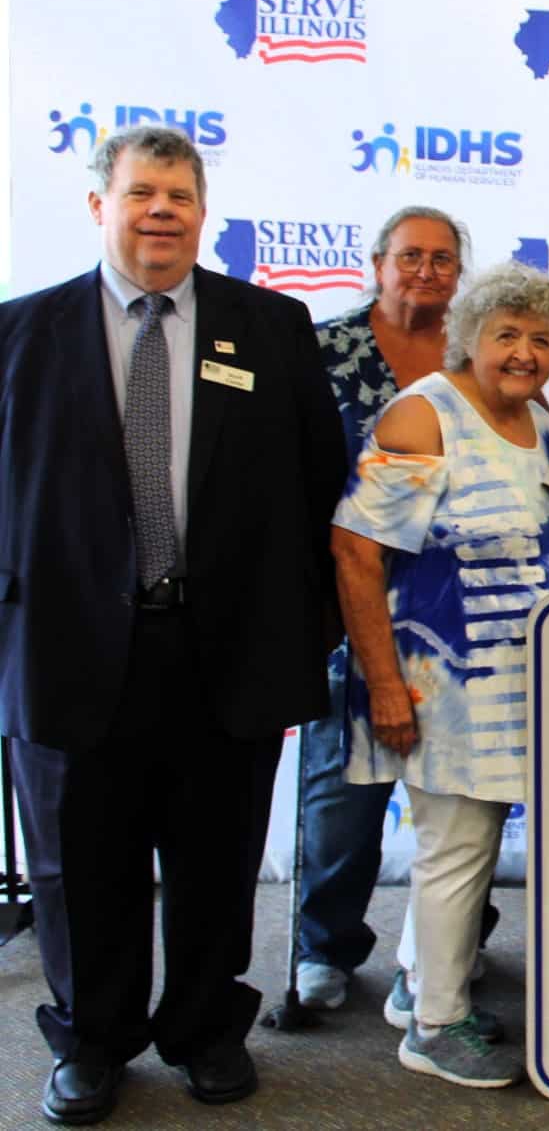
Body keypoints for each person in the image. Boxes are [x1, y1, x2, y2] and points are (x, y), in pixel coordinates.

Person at [0, 126, 345, 1123]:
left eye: (180, 196)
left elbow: (322, 490)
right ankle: (92, 1038)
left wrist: (305, 628)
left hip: (225, 649)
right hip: (63, 652)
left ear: (204, 212)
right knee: (80, 862)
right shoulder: (19, 336)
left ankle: (203, 1028)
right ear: (98, 205)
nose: (161, 211)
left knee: (216, 857)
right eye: (141, 192)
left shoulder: (271, 329)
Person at [331, 262, 549, 1088]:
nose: (524, 352)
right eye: (506, 334)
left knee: (457, 847)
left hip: (517, 682)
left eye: (542, 339)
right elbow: (355, 555)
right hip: (440, 679)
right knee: (456, 848)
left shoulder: (539, 425)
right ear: (469, 337)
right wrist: (386, 686)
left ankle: (416, 981)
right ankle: (436, 1026)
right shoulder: (422, 415)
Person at [295, 206, 473, 1012]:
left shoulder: (474, 355)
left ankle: (441, 946)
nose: (426, 271)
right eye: (410, 256)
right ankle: (323, 948)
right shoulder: (322, 348)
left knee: (456, 795)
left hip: (454, 607)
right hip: (346, 592)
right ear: (376, 263)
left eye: (442, 259)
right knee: (342, 793)